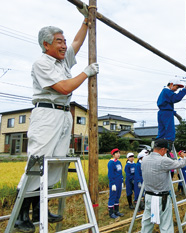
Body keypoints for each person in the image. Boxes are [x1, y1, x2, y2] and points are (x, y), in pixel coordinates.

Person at [13, 4, 99, 232]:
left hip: (63, 115)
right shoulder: (42, 63)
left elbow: (78, 44)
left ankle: (40, 209)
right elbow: (62, 88)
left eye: (63, 41)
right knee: (38, 160)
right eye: (59, 41)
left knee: (55, 161)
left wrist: (85, 21)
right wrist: (86, 73)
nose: (64, 45)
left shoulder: (61, 61)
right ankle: (22, 213)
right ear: (46, 44)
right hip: (47, 114)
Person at [141, 138, 186, 233]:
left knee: (146, 224)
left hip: (148, 196)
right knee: (166, 226)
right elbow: (180, 164)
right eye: (166, 151)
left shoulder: (145, 159)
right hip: (161, 198)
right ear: (163, 149)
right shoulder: (163, 160)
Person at [156, 79, 186, 144]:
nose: (176, 89)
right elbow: (176, 98)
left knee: (162, 131)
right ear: (171, 84)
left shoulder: (164, 92)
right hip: (167, 113)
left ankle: (158, 144)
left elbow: (166, 105)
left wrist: (175, 114)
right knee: (170, 130)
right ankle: (169, 144)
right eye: (176, 87)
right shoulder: (167, 91)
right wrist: (185, 89)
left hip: (162, 113)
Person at [108, 148, 124, 218]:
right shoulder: (111, 163)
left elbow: (120, 172)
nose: (118, 154)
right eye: (117, 153)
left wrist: (122, 180)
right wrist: (113, 183)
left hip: (119, 181)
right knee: (113, 196)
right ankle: (111, 213)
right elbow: (110, 174)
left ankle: (116, 211)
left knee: (117, 196)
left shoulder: (118, 162)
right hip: (114, 182)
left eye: (119, 153)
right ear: (113, 155)